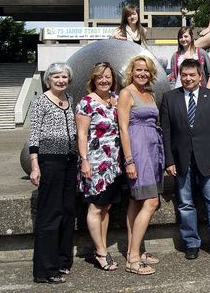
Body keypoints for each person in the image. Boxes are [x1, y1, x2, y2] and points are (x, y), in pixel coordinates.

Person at [161, 59, 210, 260]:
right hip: (181, 160)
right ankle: (192, 243)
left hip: (209, 159)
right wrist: (169, 161)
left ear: (200, 76)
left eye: (192, 75)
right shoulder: (169, 98)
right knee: (185, 204)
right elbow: (166, 133)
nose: (187, 78)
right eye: (184, 75)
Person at [28, 62, 76, 283]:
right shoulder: (41, 101)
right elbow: (34, 135)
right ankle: (45, 270)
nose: (60, 80)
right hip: (50, 161)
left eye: (64, 77)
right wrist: (35, 165)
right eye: (56, 76)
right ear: (49, 79)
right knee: (50, 214)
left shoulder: (70, 100)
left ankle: (63, 260)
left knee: (67, 211)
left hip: (69, 160)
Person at [118, 55, 164, 275]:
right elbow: (123, 128)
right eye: (138, 70)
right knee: (151, 201)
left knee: (136, 202)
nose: (142, 74)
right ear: (131, 72)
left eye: (146, 71)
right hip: (137, 150)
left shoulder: (150, 94)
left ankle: (133, 251)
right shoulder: (126, 93)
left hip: (153, 149)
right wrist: (129, 160)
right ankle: (134, 260)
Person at [75, 62, 122, 271]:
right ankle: (100, 252)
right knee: (95, 207)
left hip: (114, 163)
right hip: (95, 162)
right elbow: (82, 134)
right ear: (93, 80)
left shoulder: (116, 99)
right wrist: (84, 159)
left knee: (106, 206)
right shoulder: (86, 103)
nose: (104, 80)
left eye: (108, 77)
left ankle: (102, 247)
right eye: (100, 77)